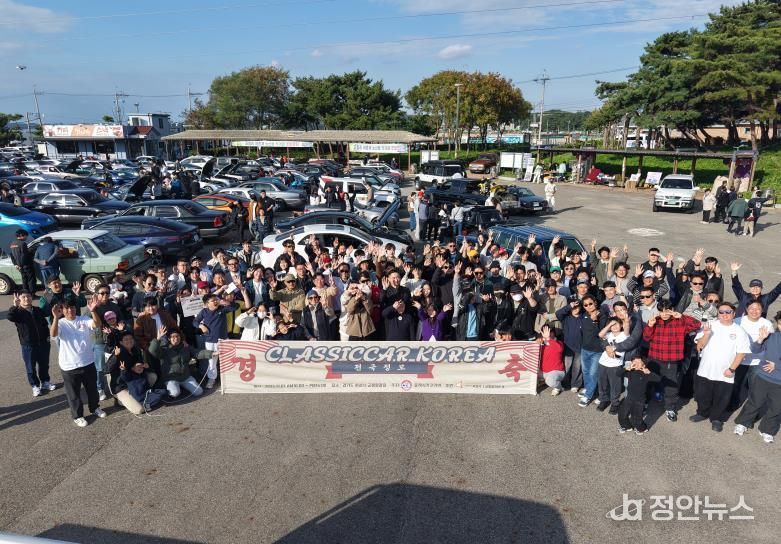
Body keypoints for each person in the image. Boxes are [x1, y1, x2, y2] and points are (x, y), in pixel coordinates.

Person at [691, 302, 750, 432]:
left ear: (734, 314)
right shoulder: (710, 325)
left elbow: (741, 353)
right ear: (718, 313)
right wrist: (706, 334)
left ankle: (716, 418)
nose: (724, 314)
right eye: (721, 312)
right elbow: (699, 346)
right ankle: (702, 413)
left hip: (725, 373)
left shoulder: (739, 331)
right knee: (702, 394)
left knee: (722, 397)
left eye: (728, 312)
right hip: (705, 370)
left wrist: (732, 369)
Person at [50, 296, 106, 427]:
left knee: (92, 389)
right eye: (67, 308)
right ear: (63, 310)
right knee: (74, 394)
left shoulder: (83, 319)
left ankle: (95, 408)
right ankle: (78, 416)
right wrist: (55, 318)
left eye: (73, 307)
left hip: (87, 362)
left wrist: (93, 310)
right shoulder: (61, 323)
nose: (70, 310)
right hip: (69, 366)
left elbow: (97, 324)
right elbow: (53, 334)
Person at [641, 300, 702, 422]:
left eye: (667, 310)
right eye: (661, 311)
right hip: (654, 358)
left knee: (671, 386)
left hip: (671, 359)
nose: (664, 314)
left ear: (672, 310)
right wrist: (650, 326)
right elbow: (646, 338)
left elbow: (697, 324)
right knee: (649, 381)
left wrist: (682, 316)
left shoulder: (680, 322)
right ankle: (644, 403)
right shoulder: (655, 321)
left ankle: (670, 408)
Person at [734, 311, 781, 443]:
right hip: (763, 377)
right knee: (755, 401)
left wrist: (776, 365)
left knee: (776, 407)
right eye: (780, 323)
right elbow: (755, 350)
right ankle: (743, 423)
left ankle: (767, 430)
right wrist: (760, 339)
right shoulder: (771, 337)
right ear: (777, 324)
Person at [8, 291, 54, 397]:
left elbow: (45, 321)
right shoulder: (18, 312)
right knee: (30, 367)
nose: (26, 299)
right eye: (23, 297)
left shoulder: (37, 310)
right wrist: (15, 305)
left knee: (44, 364)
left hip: (43, 343)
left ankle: (45, 382)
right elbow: (10, 317)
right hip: (28, 345)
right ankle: (35, 386)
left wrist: (48, 295)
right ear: (19, 299)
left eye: (28, 296)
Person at [150, 328, 211, 398]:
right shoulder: (164, 349)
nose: (176, 338)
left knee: (199, 392)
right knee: (174, 393)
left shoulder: (186, 347)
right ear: (169, 339)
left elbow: (197, 353)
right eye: (173, 337)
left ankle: (181, 386)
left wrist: (212, 353)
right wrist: (157, 339)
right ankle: (169, 387)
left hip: (185, 377)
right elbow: (152, 351)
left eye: (177, 336)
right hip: (171, 378)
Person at [193, 293, 237, 389]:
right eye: (213, 300)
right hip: (209, 340)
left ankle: (230, 378)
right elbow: (195, 322)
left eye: (216, 299)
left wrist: (227, 302)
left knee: (228, 359)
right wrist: (201, 326)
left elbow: (234, 307)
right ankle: (212, 379)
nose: (216, 301)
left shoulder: (222, 309)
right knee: (212, 361)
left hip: (223, 339)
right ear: (207, 304)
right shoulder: (204, 312)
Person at [618, 356, 660, 435]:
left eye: (639, 362)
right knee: (622, 414)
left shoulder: (646, 374)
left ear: (643, 365)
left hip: (639, 400)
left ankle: (642, 428)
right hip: (629, 398)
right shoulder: (630, 371)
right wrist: (626, 369)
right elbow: (618, 373)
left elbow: (658, 379)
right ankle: (626, 426)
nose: (636, 364)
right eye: (634, 362)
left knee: (636, 419)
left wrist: (649, 373)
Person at [596, 317, 628, 413]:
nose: (614, 326)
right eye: (612, 325)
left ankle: (615, 403)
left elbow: (627, 328)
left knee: (615, 385)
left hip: (616, 364)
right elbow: (600, 334)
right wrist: (609, 325)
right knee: (602, 383)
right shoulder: (608, 334)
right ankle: (604, 400)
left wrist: (625, 319)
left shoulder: (624, 335)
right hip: (603, 363)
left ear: (621, 325)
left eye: (616, 324)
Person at [539, 325, 565, 395]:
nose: (548, 334)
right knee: (530, 373)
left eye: (550, 332)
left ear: (553, 333)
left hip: (556, 371)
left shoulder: (559, 343)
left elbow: (559, 349)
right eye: (545, 332)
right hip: (543, 371)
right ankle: (543, 381)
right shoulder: (541, 343)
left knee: (550, 381)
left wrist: (548, 339)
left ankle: (559, 387)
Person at [10, 229, 37, 294]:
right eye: (25, 236)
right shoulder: (23, 244)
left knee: (24, 279)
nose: (26, 237)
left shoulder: (12, 244)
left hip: (19, 266)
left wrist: (16, 264)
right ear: (21, 235)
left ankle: (25, 292)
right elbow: (24, 255)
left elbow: (11, 255)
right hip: (26, 265)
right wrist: (30, 251)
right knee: (31, 279)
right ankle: (32, 294)